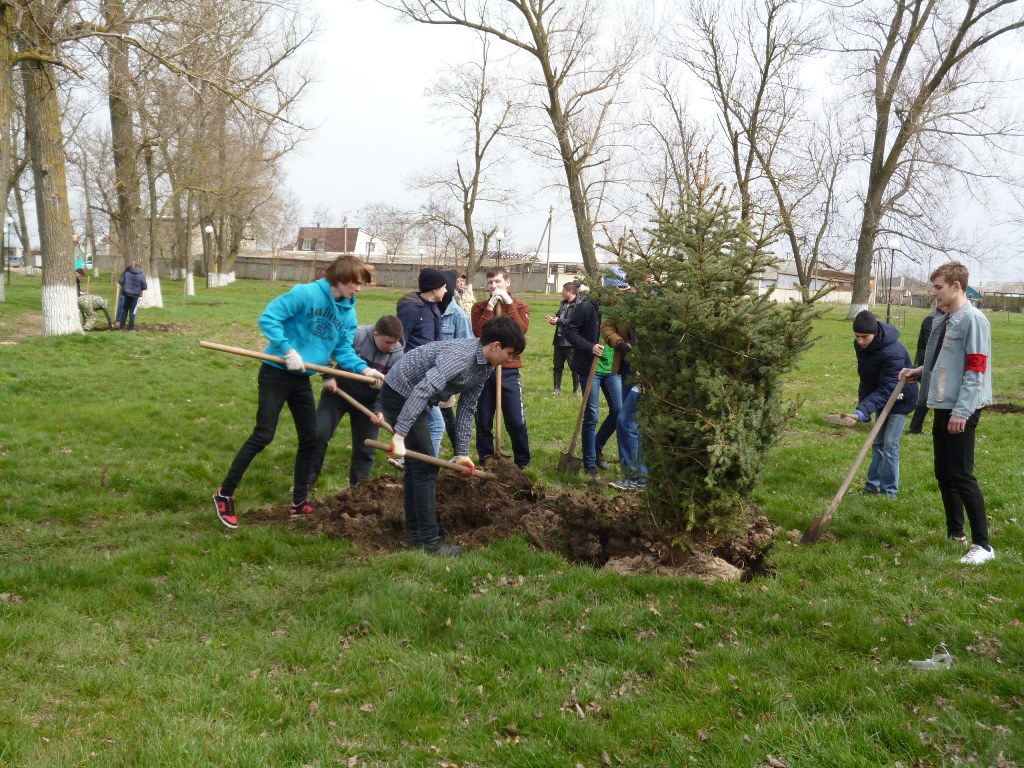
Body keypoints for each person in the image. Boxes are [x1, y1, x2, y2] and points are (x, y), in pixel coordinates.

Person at [213, 255, 383, 530]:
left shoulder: (348, 312)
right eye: (357, 283)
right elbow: (269, 318)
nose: (359, 289)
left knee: (311, 438)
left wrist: (364, 371)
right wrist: (287, 349)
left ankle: (299, 502)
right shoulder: (305, 294)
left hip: (302, 378)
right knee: (264, 434)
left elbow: (342, 350)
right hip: (276, 373)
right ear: (340, 278)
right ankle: (224, 494)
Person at [381, 315, 526, 556]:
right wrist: (400, 434)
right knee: (426, 467)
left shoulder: (486, 367)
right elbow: (423, 388)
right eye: (509, 353)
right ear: (496, 346)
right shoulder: (460, 358)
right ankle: (430, 542)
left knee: (418, 466)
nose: (510, 360)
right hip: (401, 392)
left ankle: (415, 534)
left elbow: (467, 408)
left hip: (417, 397)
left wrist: (462, 453)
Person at [901, 262, 994, 565]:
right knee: (944, 473)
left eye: (939, 287)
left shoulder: (973, 320)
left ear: (957, 286)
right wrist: (919, 372)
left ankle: (983, 546)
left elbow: (975, 368)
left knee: (961, 475)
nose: (934, 292)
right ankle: (956, 533)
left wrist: (962, 412)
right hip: (942, 404)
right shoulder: (946, 319)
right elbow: (943, 360)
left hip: (961, 408)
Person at [307, 315, 405, 490]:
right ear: (376, 334)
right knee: (319, 434)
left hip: (367, 402)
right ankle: (306, 481)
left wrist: (379, 410)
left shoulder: (397, 354)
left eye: (394, 343)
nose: (391, 347)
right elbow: (326, 349)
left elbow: (390, 387)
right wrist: (328, 376)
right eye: (387, 342)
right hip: (338, 392)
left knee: (365, 448)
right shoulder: (357, 335)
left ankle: (358, 490)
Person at [847, 310, 918, 499]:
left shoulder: (891, 352)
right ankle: (872, 487)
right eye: (857, 336)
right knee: (877, 442)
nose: (860, 341)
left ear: (875, 334)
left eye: (864, 337)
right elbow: (867, 378)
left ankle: (889, 492)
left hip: (900, 396)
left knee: (890, 444)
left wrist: (862, 411)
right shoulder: (861, 346)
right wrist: (864, 407)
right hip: (880, 395)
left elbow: (889, 388)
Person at [563, 279, 626, 479]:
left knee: (619, 411)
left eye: (622, 289)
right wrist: (589, 346)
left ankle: (597, 447)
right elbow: (569, 331)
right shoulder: (587, 307)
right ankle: (589, 463)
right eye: (617, 289)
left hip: (612, 368)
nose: (620, 293)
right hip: (590, 368)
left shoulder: (621, 310)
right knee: (592, 414)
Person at [470, 267, 531, 468]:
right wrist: (490, 307)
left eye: (497, 282)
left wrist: (508, 303)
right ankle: (486, 459)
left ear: (508, 282)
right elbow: (479, 332)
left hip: (509, 371)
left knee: (516, 421)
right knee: (484, 419)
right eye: (490, 283)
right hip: (484, 370)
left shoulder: (521, 306)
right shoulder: (479, 307)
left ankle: (522, 463)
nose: (493, 286)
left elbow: (520, 331)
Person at [398, 268, 448, 459]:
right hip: (412, 375)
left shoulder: (434, 309)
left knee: (423, 423)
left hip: (429, 374)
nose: (445, 290)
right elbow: (399, 343)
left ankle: (409, 460)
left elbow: (436, 342)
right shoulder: (411, 310)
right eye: (443, 287)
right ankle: (426, 466)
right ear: (434, 288)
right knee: (435, 424)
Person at [439, 270, 474, 454]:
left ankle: (460, 452)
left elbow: (466, 347)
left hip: (446, 373)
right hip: (428, 371)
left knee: (445, 413)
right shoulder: (430, 309)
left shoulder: (459, 316)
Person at [908, 304, 944, 434]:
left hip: (938, 362)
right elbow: (931, 344)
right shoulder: (932, 319)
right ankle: (915, 427)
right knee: (926, 395)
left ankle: (915, 427)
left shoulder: (944, 317)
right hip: (927, 362)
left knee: (929, 394)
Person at [545, 281, 582, 395]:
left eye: (563, 291)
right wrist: (553, 319)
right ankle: (556, 389)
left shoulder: (579, 305)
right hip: (559, 340)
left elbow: (575, 322)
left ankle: (576, 390)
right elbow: (559, 316)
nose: (562, 293)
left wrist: (559, 321)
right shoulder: (563, 304)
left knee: (574, 367)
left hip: (570, 341)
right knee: (557, 366)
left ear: (570, 292)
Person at [117, 260, 148, 331]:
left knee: (124, 310)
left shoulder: (126, 273)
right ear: (138, 267)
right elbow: (144, 287)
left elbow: (120, 282)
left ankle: (121, 327)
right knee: (133, 311)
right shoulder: (141, 275)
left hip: (126, 294)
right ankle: (130, 328)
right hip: (136, 296)